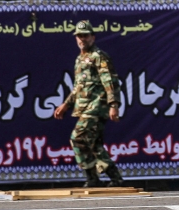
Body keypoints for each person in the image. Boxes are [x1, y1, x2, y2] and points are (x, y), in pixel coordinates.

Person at [53, 20, 125, 188]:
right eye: (79, 36)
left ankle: (96, 176)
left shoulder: (98, 56)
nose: (82, 39)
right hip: (83, 106)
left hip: (97, 105)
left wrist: (114, 105)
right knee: (92, 142)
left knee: (77, 137)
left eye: (85, 36)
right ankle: (104, 178)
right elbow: (78, 87)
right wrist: (65, 105)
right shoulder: (80, 59)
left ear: (93, 37)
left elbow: (110, 81)